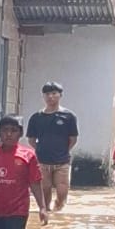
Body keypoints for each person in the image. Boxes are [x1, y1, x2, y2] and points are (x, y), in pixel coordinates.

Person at [25, 81, 78, 213]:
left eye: (54, 93)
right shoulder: (36, 117)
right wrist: (40, 149)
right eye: (47, 94)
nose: (50, 97)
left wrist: (64, 150)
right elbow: (31, 139)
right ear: (43, 96)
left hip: (62, 161)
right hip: (42, 161)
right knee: (45, 188)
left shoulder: (69, 116)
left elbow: (73, 138)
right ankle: (46, 211)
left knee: (62, 190)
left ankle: (58, 206)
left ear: (60, 95)